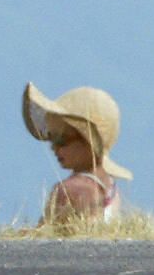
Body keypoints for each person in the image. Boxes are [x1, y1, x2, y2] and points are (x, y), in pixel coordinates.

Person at [22, 83, 131, 226]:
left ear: (88, 141)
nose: (54, 148)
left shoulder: (67, 190)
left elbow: (42, 237)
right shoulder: (112, 190)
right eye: (51, 138)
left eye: (61, 140)